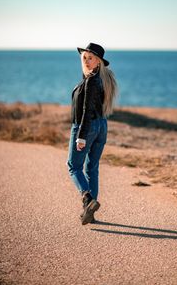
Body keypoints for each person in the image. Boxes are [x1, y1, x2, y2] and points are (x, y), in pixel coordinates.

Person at [67, 43, 117, 225]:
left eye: (91, 58)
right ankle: (90, 213)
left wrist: (81, 135)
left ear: (99, 62)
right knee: (92, 168)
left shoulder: (91, 81)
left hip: (86, 127)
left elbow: (87, 109)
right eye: (85, 58)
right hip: (101, 125)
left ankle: (88, 200)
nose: (87, 61)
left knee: (73, 166)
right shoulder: (102, 78)